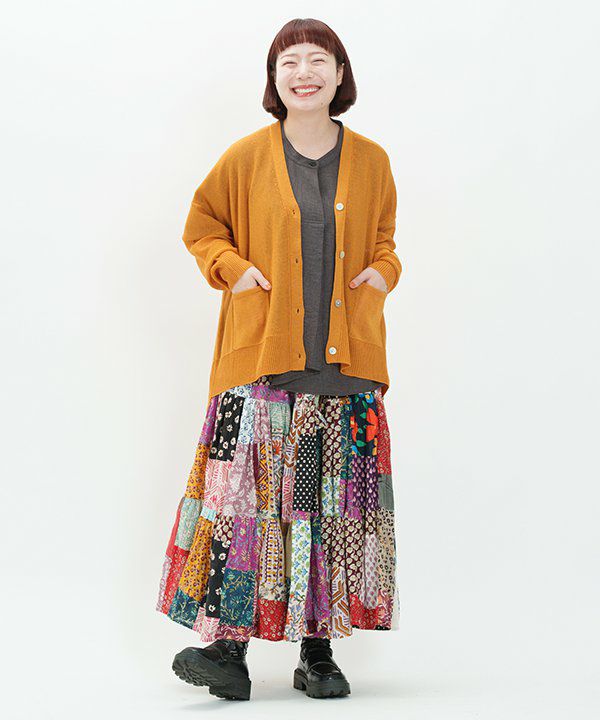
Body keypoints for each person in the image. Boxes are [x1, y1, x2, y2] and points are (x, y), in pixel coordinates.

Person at [156, 17, 401, 701]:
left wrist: (385, 272)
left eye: (318, 59)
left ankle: (317, 653)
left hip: (345, 374)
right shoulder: (244, 157)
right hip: (259, 365)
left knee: (329, 516)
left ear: (340, 74)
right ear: (274, 79)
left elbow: (385, 239)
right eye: (289, 61)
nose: (304, 72)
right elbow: (202, 225)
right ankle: (227, 650)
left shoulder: (373, 161)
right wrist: (231, 269)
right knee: (242, 510)